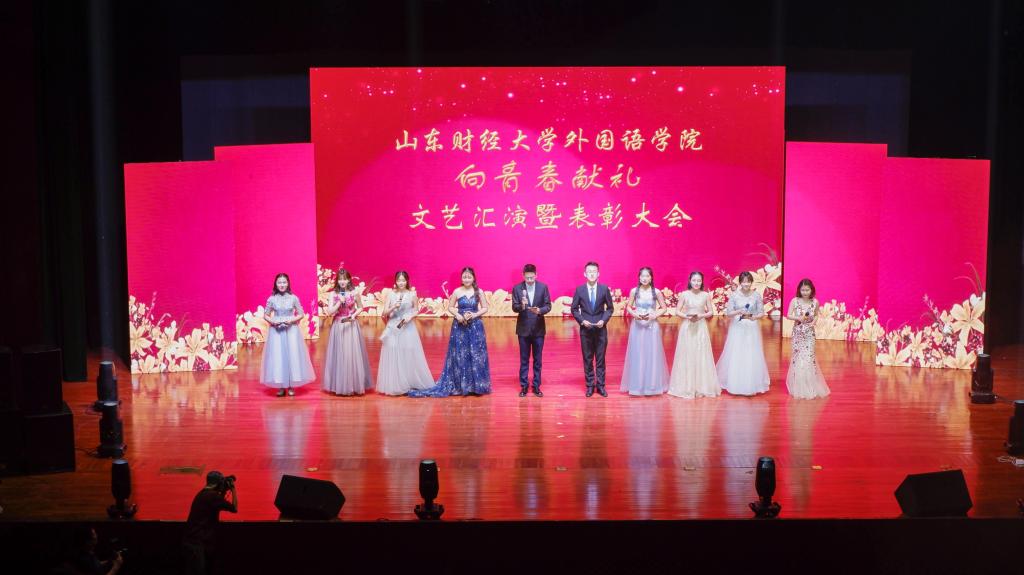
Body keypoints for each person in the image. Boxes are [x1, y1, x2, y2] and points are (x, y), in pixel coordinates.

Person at [410, 267, 492, 397]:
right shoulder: (457, 291)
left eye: (469, 277)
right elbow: (451, 307)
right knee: (460, 354)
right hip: (460, 326)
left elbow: (485, 308)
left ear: (473, 278)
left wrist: (475, 314)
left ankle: (476, 386)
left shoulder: (479, 291)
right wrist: (458, 315)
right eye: (464, 277)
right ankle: (461, 385)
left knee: (476, 354)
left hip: (475, 326)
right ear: (461, 278)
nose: (466, 279)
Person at [376, 271, 436, 395]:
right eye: (399, 280)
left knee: (407, 353)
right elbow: (384, 312)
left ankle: (408, 381)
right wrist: (393, 307)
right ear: (395, 281)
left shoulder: (412, 294)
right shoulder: (391, 294)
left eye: (403, 280)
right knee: (393, 352)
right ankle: (395, 384)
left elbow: (416, 310)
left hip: (407, 327)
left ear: (407, 281)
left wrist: (410, 317)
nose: (401, 283)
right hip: (393, 327)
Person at [716, 271, 770, 396]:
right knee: (737, 352)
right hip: (737, 327)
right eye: (744, 282)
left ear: (751, 282)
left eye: (748, 281)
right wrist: (738, 311)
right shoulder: (734, 295)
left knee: (751, 353)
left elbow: (761, 312)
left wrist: (755, 317)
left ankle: (751, 383)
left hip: (751, 327)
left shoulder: (756, 295)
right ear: (740, 282)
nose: (746, 284)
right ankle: (735, 382)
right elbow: (729, 313)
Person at [668, 271, 721, 398]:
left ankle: (701, 386)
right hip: (687, 326)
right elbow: (677, 311)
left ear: (702, 282)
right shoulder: (684, 294)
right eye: (694, 280)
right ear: (690, 281)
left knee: (701, 354)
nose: (696, 283)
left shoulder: (705, 295)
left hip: (701, 326)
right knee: (687, 354)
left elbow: (711, 312)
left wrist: (701, 316)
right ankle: (687, 386)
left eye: (699, 280)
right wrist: (687, 316)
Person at [261, 273, 316, 396]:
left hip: (291, 330)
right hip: (276, 330)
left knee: (292, 356)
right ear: (276, 284)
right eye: (279, 282)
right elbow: (266, 315)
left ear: (288, 283)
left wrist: (291, 320)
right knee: (278, 357)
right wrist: (273, 322)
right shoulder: (271, 299)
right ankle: (281, 386)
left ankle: (291, 385)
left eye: (284, 282)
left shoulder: (293, 298)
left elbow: (301, 314)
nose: (282, 285)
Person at [322, 268, 373, 396]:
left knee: (351, 355)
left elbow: (360, 307)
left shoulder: (354, 293)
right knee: (340, 354)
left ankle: (353, 384)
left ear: (349, 279)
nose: (342, 281)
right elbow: (330, 312)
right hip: (338, 325)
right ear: (337, 281)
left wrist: (354, 315)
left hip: (351, 325)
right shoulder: (333, 294)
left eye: (345, 279)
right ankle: (339, 384)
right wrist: (339, 301)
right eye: (340, 279)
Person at [619, 267, 670, 396]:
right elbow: (629, 306)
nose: (645, 278)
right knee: (638, 353)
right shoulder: (634, 291)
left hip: (652, 325)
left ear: (651, 278)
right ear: (639, 277)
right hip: (637, 325)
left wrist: (654, 315)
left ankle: (652, 386)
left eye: (647, 276)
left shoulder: (656, 292)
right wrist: (634, 314)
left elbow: (664, 308)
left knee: (652, 353)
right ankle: (638, 385)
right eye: (642, 276)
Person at [570, 261, 615, 397]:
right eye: (589, 272)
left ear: (598, 273)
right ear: (585, 274)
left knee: (600, 359)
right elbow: (574, 309)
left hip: (601, 329)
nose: (591, 274)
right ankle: (590, 385)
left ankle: (601, 386)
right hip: (586, 330)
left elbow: (610, 308)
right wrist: (582, 321)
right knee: (588, 359)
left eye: (594, 271)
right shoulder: (580, 290)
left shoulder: (604, 289)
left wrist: (604, 320)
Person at [182, 471, 238, 575]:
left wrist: (223, 492)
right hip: (198, 544)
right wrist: (233, 489)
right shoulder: (213, 496)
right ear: (218, 484)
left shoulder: (203, 494)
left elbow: (217, 503)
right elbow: (234, 508)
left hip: (194, 541)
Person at [785, 278, 831, 399]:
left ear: (811, 290)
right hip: (798, 333)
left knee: (809, 357)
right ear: (799, 290)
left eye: (807, 290)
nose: (805, 292)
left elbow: (816, 315)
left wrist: (814, 322)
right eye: (803, 290)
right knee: (798, 357)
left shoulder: (815, 302)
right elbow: (788, 315)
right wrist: (798, 318)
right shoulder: (795, 301)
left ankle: (809, 384)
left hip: (810, 333)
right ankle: (798, 385)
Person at [511, 264, 551, 397]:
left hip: (538, 328)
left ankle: (536, 386)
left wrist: (539, 310)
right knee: (524, 359)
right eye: (527, 278)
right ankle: (524, 386)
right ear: (523, 276)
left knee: (538, 360)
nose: (529, 280)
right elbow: (514, 307)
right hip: (523, 329)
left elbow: (548, 306)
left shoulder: (543, 287)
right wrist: (521, 305)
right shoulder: (517, 288)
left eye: (532, 278)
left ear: (536, 275)